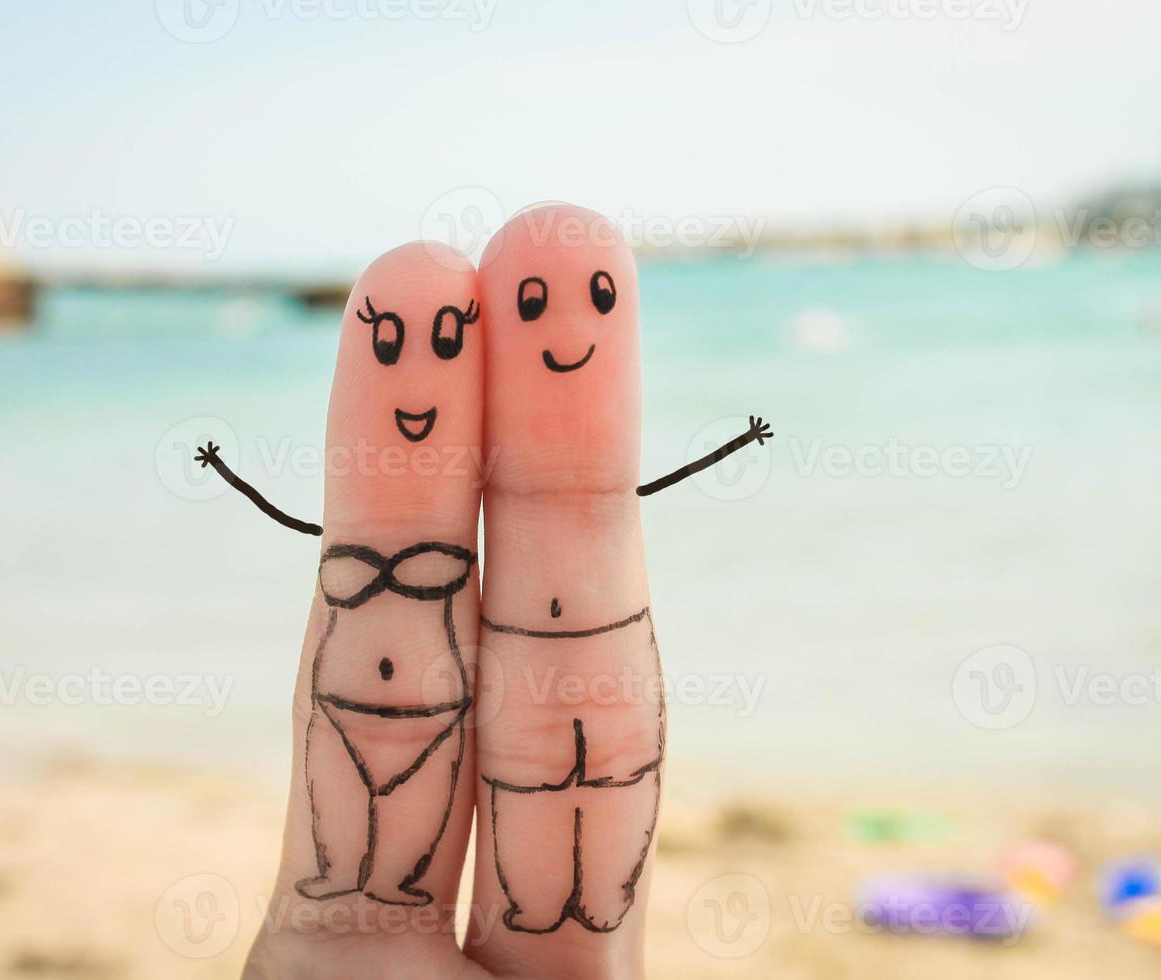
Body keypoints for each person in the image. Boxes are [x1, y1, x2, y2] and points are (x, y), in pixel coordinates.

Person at [197, 211, 766, 979]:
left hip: (426, 703)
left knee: (582, 782)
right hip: (368, 702)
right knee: (516, 789)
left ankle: (513, 893)